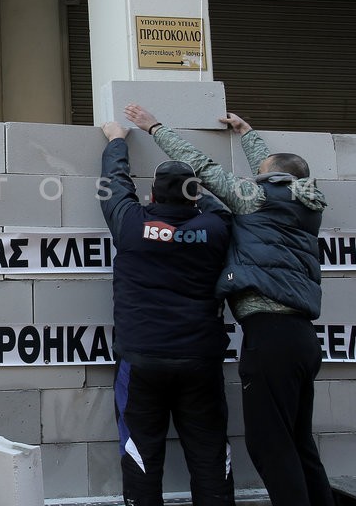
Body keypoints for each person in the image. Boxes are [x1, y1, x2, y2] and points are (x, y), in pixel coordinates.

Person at [123, 103, 334, 506]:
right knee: (300, 441)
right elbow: (276, 173)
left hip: (269, 337)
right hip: (303, 339)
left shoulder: (253, 199)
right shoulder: (307, 203)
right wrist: (248, 133)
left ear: (269, 178)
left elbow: (200, 166)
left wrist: (155, 127)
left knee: (270, 447)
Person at [99, 121, 235, 506]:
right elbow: (216, 206)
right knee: (209, 454)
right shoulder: (217, 226)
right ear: (194, 195)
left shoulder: (130, 222)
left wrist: (116, 141)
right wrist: (195, 196)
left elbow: (114, 183)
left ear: (151, 193)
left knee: (141, 454)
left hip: (142, 358)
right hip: (200, 360)